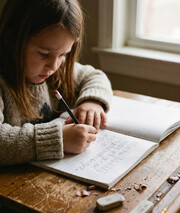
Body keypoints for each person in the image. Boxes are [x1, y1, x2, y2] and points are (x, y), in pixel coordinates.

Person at [0, 0, 113, 165]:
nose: (53, 66)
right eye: (43, 53)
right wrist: (58, 138)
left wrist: (92, 102)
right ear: (11, 39)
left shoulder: (55, 71)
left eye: (63, 55)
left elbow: (95, 76)